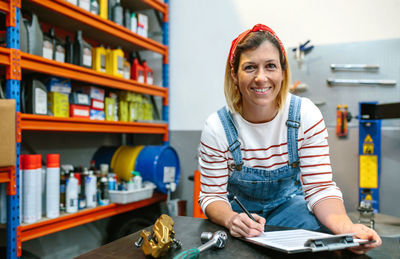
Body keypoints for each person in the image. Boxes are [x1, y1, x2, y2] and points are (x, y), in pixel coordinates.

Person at [198, 24, 381, 254]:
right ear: (234, 75)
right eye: (250, 67)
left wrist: (347, 229)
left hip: (290, 209)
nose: (261, 77)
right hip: (240, 216)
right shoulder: (217, 128)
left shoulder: (305, 115)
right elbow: (212, 196)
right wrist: (231, 219)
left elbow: (320, 189)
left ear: (283, 72)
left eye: (271, 66)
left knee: (328, 243)